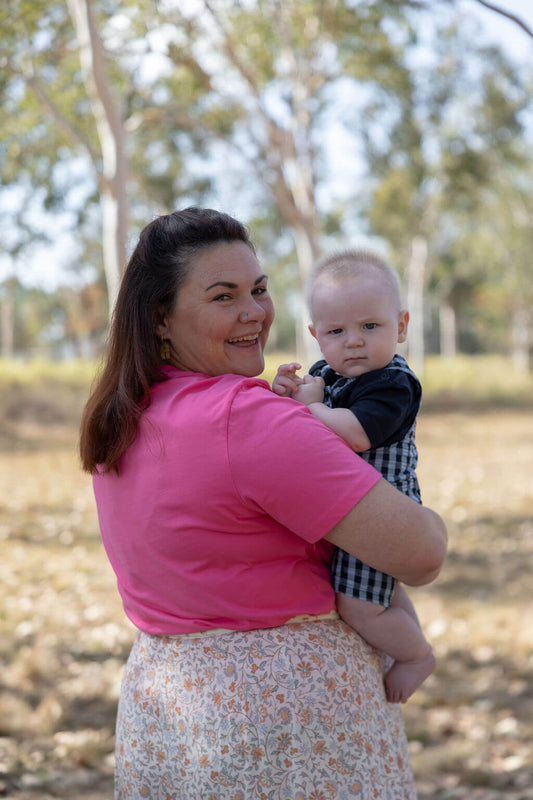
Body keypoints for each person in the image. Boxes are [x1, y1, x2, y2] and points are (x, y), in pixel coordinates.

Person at [79, 208, 446, 799]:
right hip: (283, 730)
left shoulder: (120, 418)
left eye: (259, 289)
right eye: (224, 297)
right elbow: (422, 553)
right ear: (161, 320)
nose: (254, 312)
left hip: (162, 718)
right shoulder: (247, 417)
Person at [273, 249, 435, 704]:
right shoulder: (328, 373)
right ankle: (408, 642)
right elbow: (300, 420)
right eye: (336, 331)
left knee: (359, 606)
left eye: (370, 326)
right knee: (382, 591)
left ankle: (417, 654)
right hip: (353, 509)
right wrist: (287, 393)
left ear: (401, 326)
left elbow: (358, 434)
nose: (354, 342)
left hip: (384, 511)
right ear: (315, 336)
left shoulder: (391, 382)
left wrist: (312, 407)